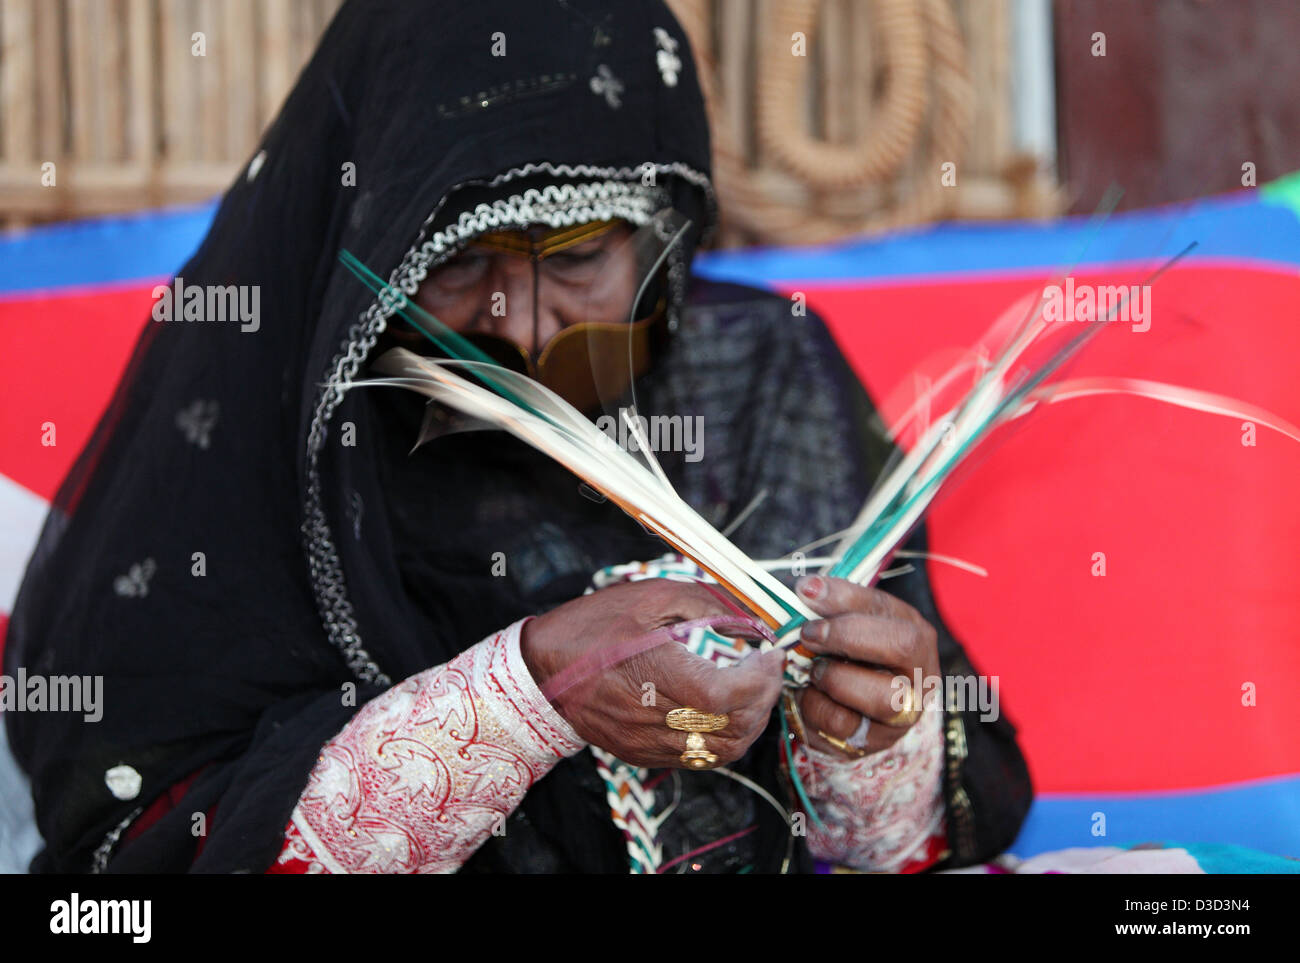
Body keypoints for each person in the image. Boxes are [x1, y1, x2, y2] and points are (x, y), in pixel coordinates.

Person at [3, 0, 1030, 874]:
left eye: (580, 253)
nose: (524, 323)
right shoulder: (260, 429)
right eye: (459, 261)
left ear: (660, 226)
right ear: (378, 243)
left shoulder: (762, 371)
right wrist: (527, 691)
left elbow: (895, 844)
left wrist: (866, 739)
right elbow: (154, 848)